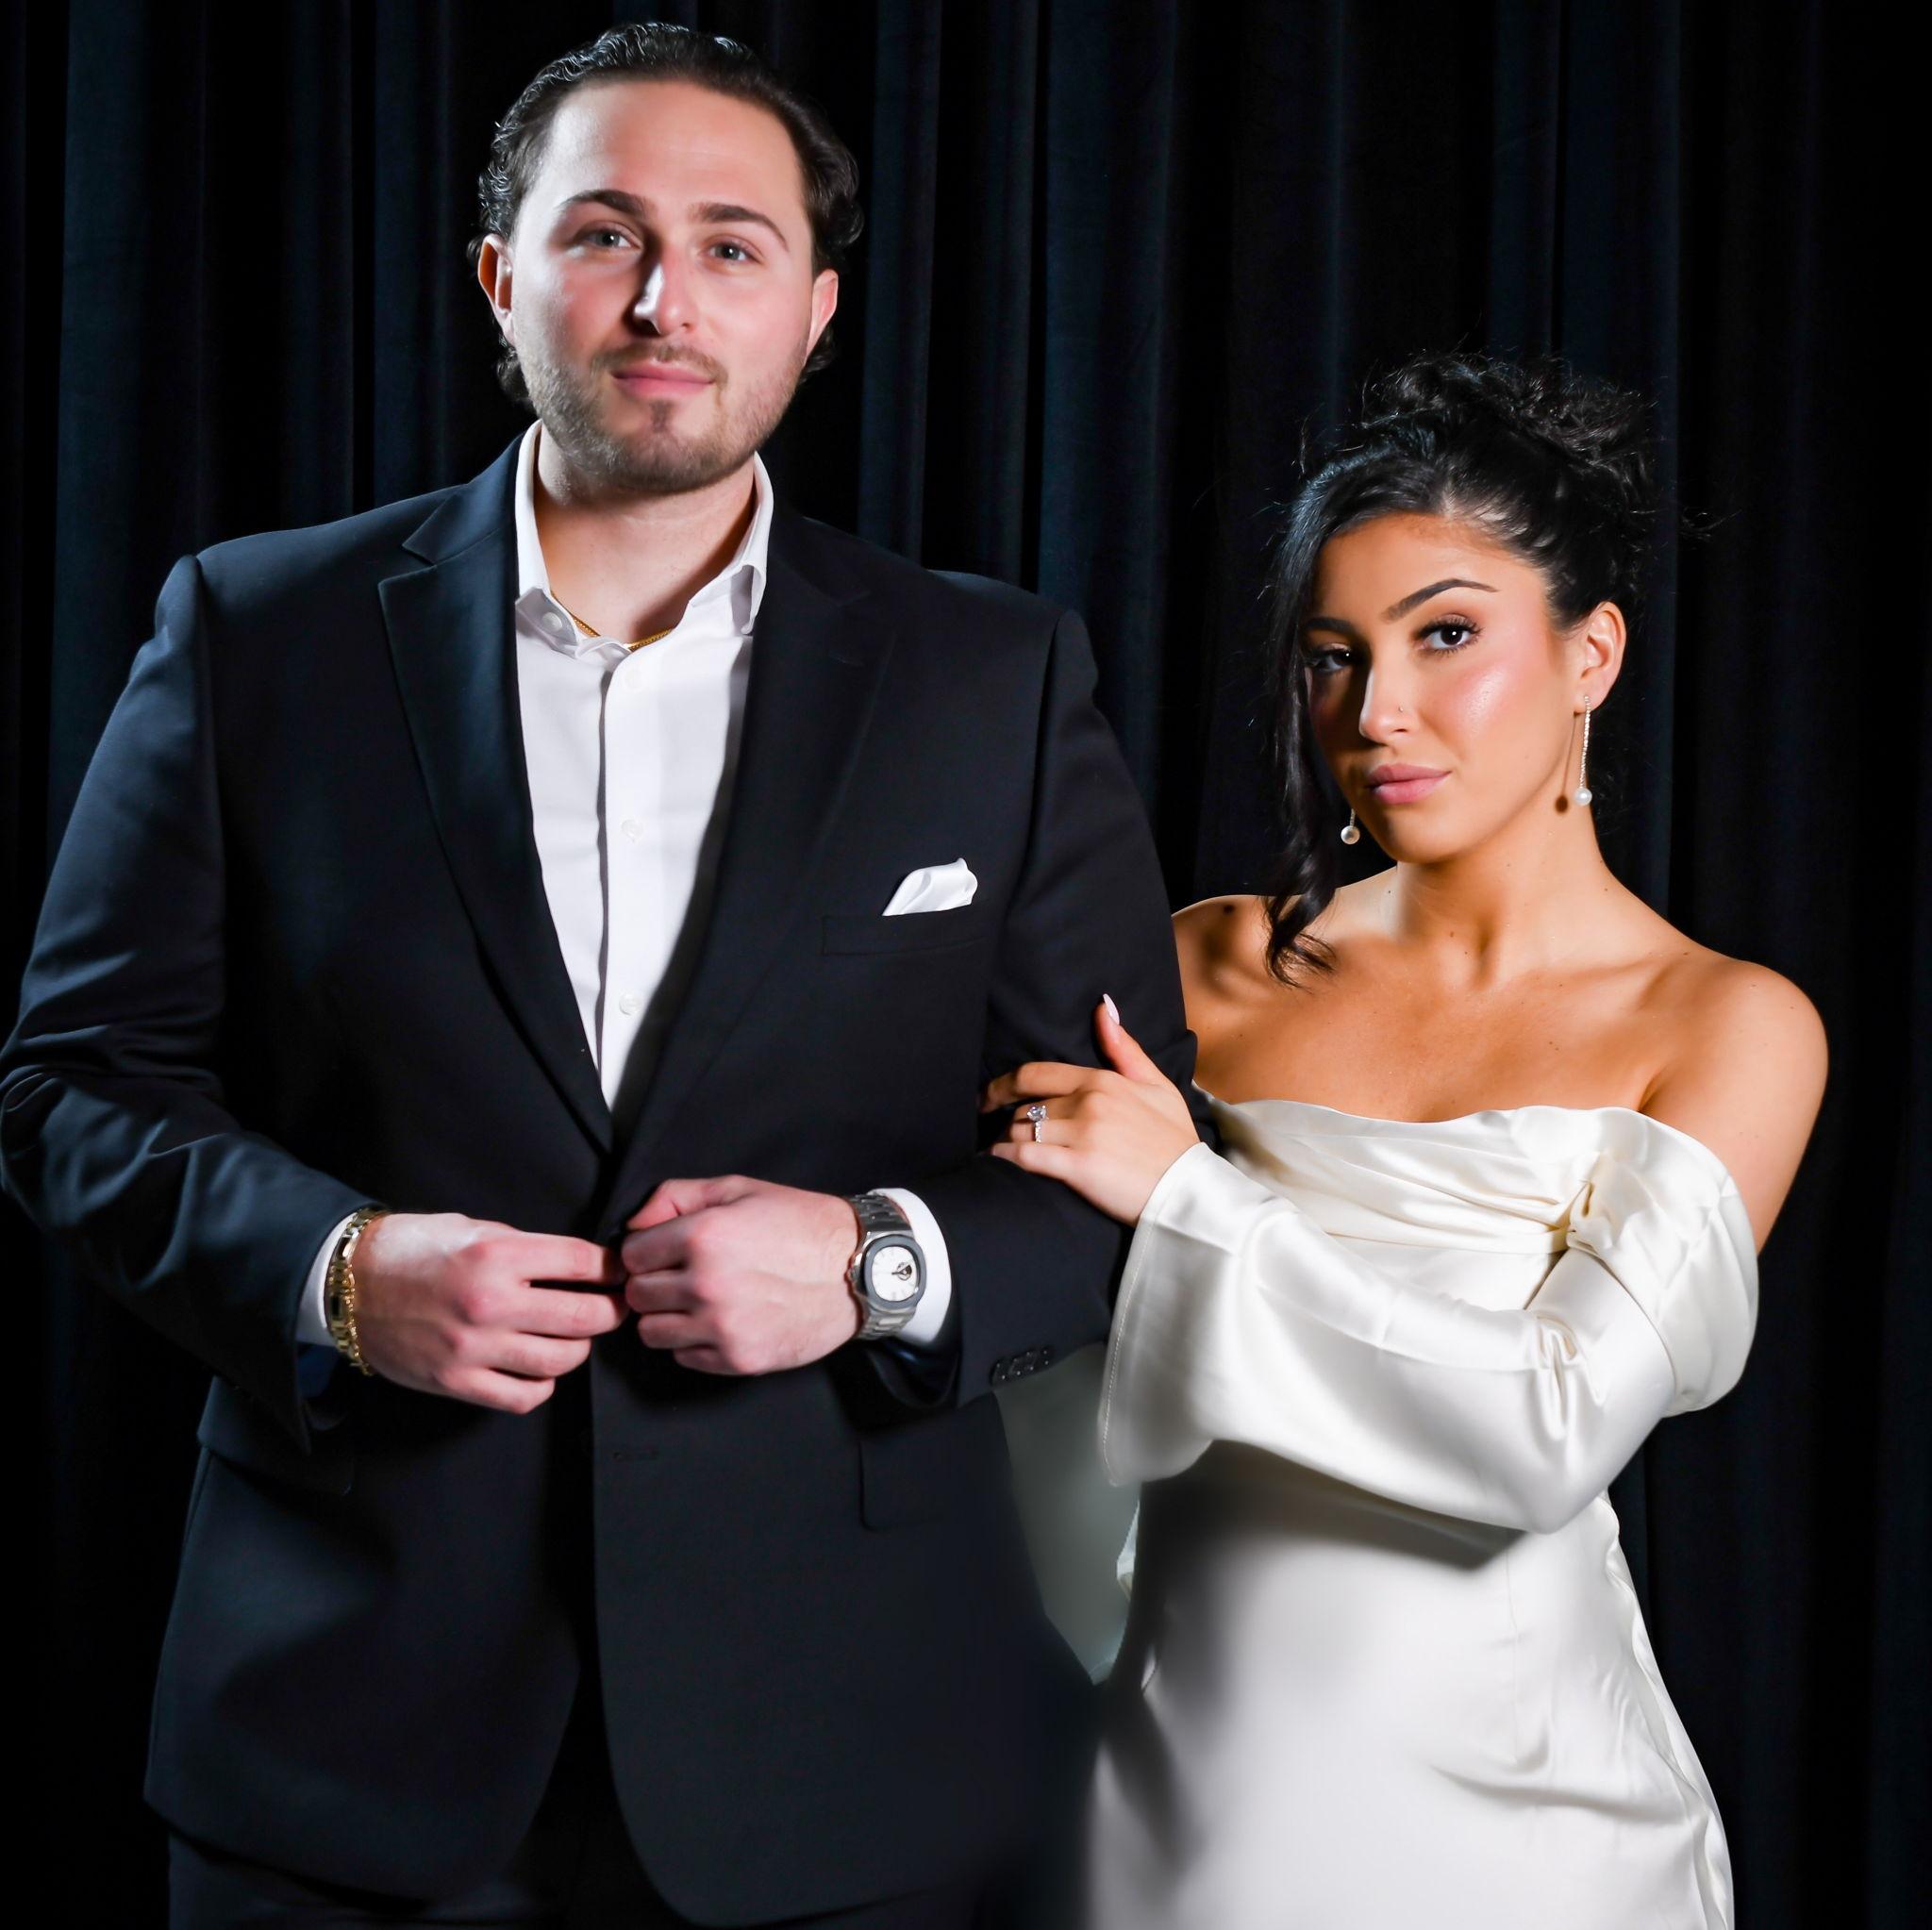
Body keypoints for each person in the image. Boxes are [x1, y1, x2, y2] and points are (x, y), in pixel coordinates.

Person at [0, 23, 1212, 1928]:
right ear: (503, 277)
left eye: (732, 245)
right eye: (605, 235)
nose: (666, 300)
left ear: (816, 309)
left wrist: (879, 1263)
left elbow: (1136, 1170)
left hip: (855, 1756)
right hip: (344, 1739)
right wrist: (335, 1272)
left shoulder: (992, 678)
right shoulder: (257, 632)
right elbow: (73, 1087)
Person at [983, 353, 1826, 1928]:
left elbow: (1546, 1436)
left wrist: (1187, 1202)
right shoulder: (1202, 965)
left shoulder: (1725, 1025)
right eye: (1333, 656)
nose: (1375, 714)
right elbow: (1024, 1350)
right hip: (1176, 1811)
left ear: (1591, 654)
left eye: (1446, 635)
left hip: (1542, 1845)